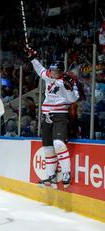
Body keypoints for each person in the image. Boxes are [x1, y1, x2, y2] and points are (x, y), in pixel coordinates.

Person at [26, 48, 79, 188]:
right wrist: (33, 58)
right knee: (48, 148)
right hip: (46, 116)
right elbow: (40, 69)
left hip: (60, 115)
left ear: (61, 72)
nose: (52, 73)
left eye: (55, 71)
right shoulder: (48, 76)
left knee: (59, 144)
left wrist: (68, 88)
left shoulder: (68, 81)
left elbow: (73, 99)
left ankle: (66, 173)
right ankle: (51, 176)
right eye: (52, 71)